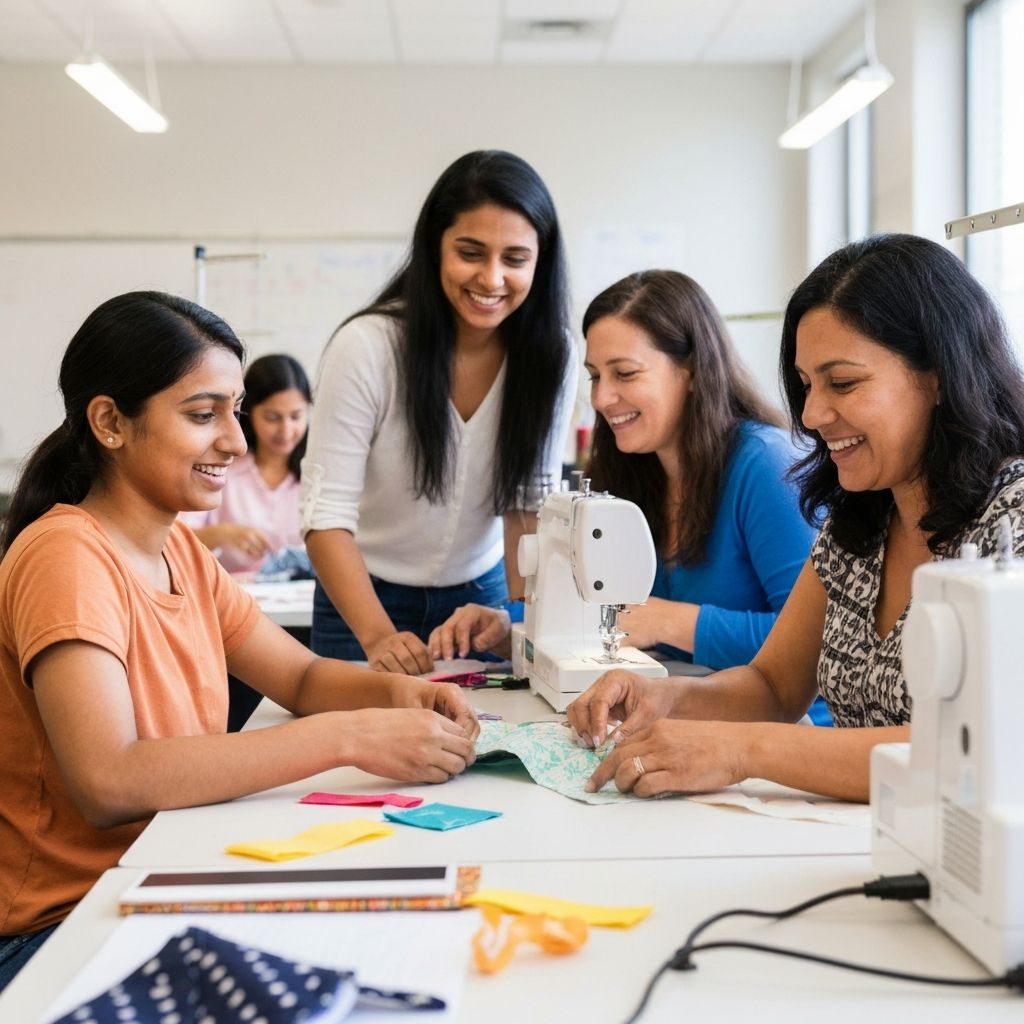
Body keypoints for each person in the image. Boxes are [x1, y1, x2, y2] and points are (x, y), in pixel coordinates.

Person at [0, 292, 479, 992]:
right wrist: (349, 737)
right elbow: (110, 779)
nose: (237, 439)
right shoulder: (67, 556)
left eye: (235, 409)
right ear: (109, 422)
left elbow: (303, 680)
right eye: (203, 415)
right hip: (65, 927)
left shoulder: (181, 554)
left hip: (156, 880)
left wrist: (403, 692)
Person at [565, 233, 1024, 803]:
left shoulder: (1014, 517)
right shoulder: (863, 519)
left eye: (844, 383)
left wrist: (740, 751)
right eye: (806, 385)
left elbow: (975, 752)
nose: (811, 414)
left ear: (936, 374)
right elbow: (774, 685)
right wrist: (664, 698)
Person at [428, 270, 815, 677]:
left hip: (789, 727)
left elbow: (815, 642)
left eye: (625, 373)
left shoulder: (767, 465)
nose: (601, 398)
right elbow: (604, 610)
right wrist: (507, 626)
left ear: (694, 371)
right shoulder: (631, 469)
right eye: (596, 376)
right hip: (690, 705)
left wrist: (668, 622)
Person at [302, 150, 576, 675]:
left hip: (478, 599)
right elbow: (324, 515)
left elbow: (528, 506)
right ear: (434, 249)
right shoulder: (367, 347)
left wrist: (519, 621)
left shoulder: (552, 356)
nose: (492, 278)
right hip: (363, 597)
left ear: (540, 262)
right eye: (470, 253)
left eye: (515, 258)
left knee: (490, 746)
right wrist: (379, 636)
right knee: (350, 753)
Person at [182, 353, 311, 576]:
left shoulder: (316, 474)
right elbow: (174, 536)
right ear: (248, 413)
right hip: (232, 597)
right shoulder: (219, 467)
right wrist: (220, 534)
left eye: (296, 416)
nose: (286, 431)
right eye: (272, 418)